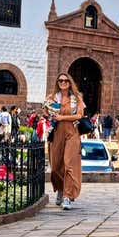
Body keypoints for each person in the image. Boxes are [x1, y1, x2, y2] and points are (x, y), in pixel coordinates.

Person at [44, 73, 86, 210]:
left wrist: (62, 117)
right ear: (57, 82)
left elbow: (79, 115)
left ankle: (67, 196)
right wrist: (48, 114)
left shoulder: (77, 98)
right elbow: (44, 112)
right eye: (60, 80)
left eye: (65, 80)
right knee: (56, 166)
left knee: (69, 164)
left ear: (70, 82)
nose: (63, 82)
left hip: (72, 133)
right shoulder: (51, 98)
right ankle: (61, 189)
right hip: (56, 133)